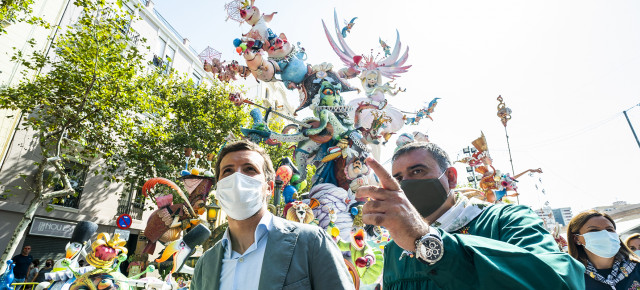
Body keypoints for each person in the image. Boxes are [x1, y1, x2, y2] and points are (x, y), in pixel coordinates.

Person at [356, 142, 585, 289]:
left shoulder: (506, 220)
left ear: (452, 178)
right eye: (398, 178)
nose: (407, 183)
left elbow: (558, 282)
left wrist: (425, 239)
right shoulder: (395, 247)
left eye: (418, 171)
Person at [192, 140, 354, 290]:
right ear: (219, 189)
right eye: (228, 171)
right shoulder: (205, 264)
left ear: (269, 187)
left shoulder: (311, 242)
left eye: (249, 169)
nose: (237, 177)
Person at [568, 210, 640, 289]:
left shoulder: (637, 267)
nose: (606, 235)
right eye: (594, 230)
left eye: (609, 229)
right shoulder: (572, 277)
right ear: (576, 239)